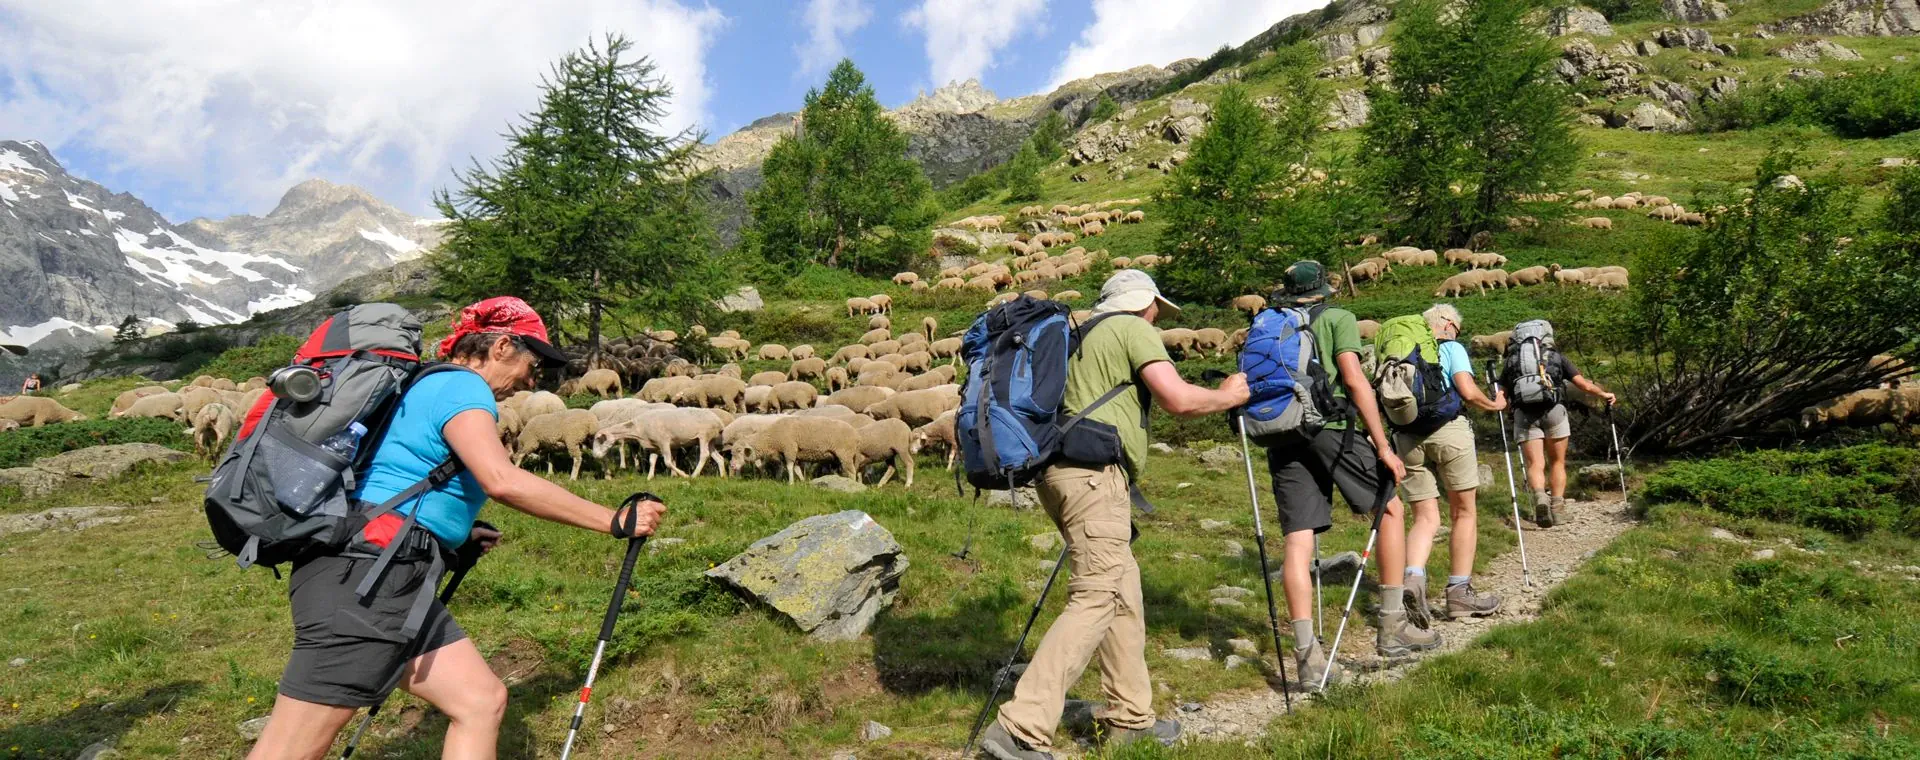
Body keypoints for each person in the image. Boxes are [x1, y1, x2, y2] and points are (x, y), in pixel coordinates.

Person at [249, 297, 666, 760]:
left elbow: (400, 474)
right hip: (367, 581)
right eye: (533, 363)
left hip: (388, 573)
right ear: (503, 346)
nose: (535, 378)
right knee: (290, 749)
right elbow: (501, 479)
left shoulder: (425, 385)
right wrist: (612, 520)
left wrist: (453, 533)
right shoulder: (462, 388)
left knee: (480, 701)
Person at [981, 270, 1250, 760]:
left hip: (1061, 476)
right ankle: (1021, 727)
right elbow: (1177, 399)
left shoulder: (1078, 336)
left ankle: (1129, 718)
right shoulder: (1132, 328)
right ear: (1144, 303)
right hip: (1093, 477)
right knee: (1096, 597)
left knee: (1122, 591)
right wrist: (1230, 396)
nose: (1157, 317)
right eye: (1156, 310)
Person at [1263, 260, 1436, 690]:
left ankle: (1307, 659)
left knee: (1298, 539)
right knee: (1390, 510)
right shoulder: (1338, 318)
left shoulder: (1271, 323)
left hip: (1283, 434)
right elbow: (1355, 380)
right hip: (1331, 429)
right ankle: (1392, 626)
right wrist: (1382, 445)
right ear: (1323, 290)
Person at [1396, 304, 1507, 628]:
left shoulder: (1403, 349)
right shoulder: (1450, 347)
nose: (1457, 334)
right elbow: (1468, 391)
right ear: (1445, 324)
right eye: (1456, 329)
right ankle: (1459, 592)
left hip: (1407, 437)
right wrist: (1494, 404)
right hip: (1449, 432)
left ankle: (1413, 580)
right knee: (1463, 512)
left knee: (1424, 517)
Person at [1497, 321, 1615, 527]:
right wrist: (1604, 394)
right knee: (1557, 462)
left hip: (1524, 414)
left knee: (1535, 463)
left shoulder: (1512, 361)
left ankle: (1540, 498)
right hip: (1555, 411)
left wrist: (1501, 408)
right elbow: (1582, 384)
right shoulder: (1556, 357)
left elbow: (1502, 394)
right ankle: (1558, 510)